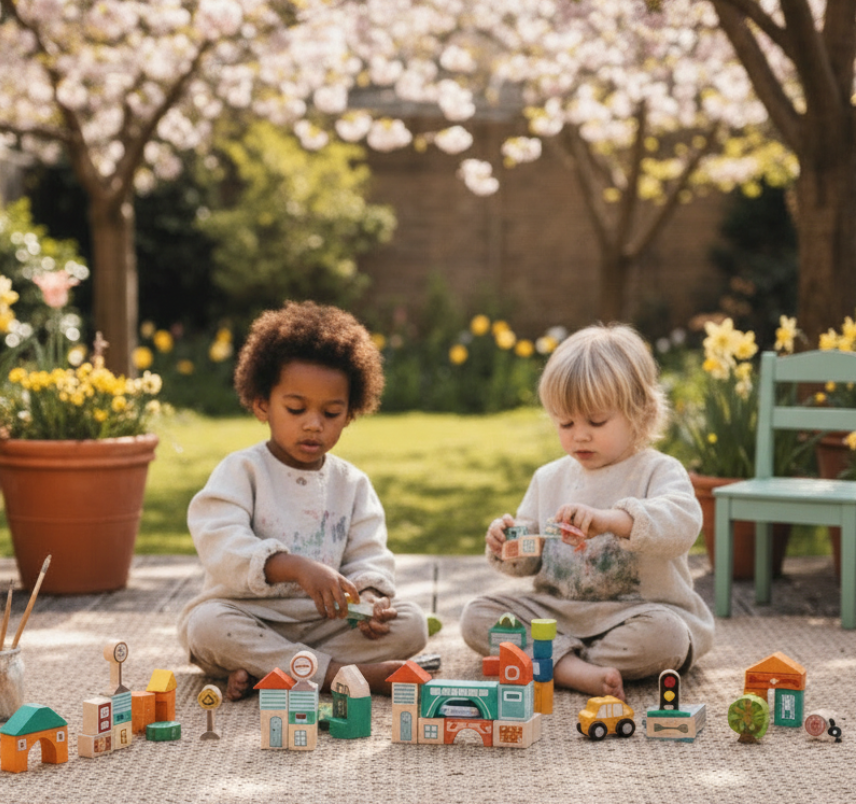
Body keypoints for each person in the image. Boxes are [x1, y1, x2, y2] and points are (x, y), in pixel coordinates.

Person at [179, 300, 429, 700]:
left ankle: (276, 669)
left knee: (412, 624)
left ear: (350, 413)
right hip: (250, 614)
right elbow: (220, 543)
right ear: (262, 404)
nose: (313, 424)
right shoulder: (242, 470)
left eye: (331, 413)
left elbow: (369, 555)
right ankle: (339, 676)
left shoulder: (352, 483)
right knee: (207, 627)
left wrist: (370, 598)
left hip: (326, 623)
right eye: (296, 409)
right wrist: (295, 567)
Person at [460, 323, 714, 702]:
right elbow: (529, 558)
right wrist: (506, 544)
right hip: (557, 614)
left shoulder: (658, 470)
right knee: (477, 616)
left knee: (668, 637)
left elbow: (682, 525)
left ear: (641, 413)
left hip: (636, 614)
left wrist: (611, 521)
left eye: (596, 422)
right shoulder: (548, 478)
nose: (579, 434)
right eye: (565, 422)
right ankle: (573, 669)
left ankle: (550, 662)